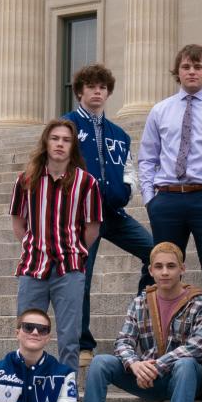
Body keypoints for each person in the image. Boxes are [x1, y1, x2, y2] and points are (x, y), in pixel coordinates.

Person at [62, 242, 202, 402]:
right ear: (150, 270)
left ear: (182, 269)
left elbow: (197, 346)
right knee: (101, 362)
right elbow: (123, 341)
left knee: (186, 362)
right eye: (159, 266)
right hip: (148, 378)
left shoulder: (200, 303)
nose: (164, 272)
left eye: (171, 266)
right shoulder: (141, 301)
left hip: (185, 380)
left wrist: (156, 366)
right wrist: (134, 365)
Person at [139, 44, 202, 358]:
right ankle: (155, 338)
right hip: (167, 199)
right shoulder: (160, 110)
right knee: (160, 272)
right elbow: (147, 158)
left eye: (198, 67)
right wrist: (150, 199)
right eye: (186, 67)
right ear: (178, 72)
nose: (192, 72)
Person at [62, 63, 154, 368]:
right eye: (91, 87)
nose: (97, 92)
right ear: (79, 92)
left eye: (102, 88)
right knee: (81, 278)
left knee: (155, 254)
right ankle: (82, 344)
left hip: (113, 212)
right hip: (82, 216)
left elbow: (129, 168)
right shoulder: (67, 127)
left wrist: (127, 189)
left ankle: (142, 328)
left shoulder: (119, 134)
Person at [10, 119, 102, 372]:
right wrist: (35, 245)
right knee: (28, 333)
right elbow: (19, 223)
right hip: (33, 267)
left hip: (69, 268)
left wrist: (70, 248)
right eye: (55, 138)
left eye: (66, 140)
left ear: (73, 146)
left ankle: (66, 397)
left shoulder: (87, 182)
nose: (60, 144)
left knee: (69, 338)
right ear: (46, 142)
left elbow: (92, 229)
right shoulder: (25, 180)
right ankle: (27, 391)